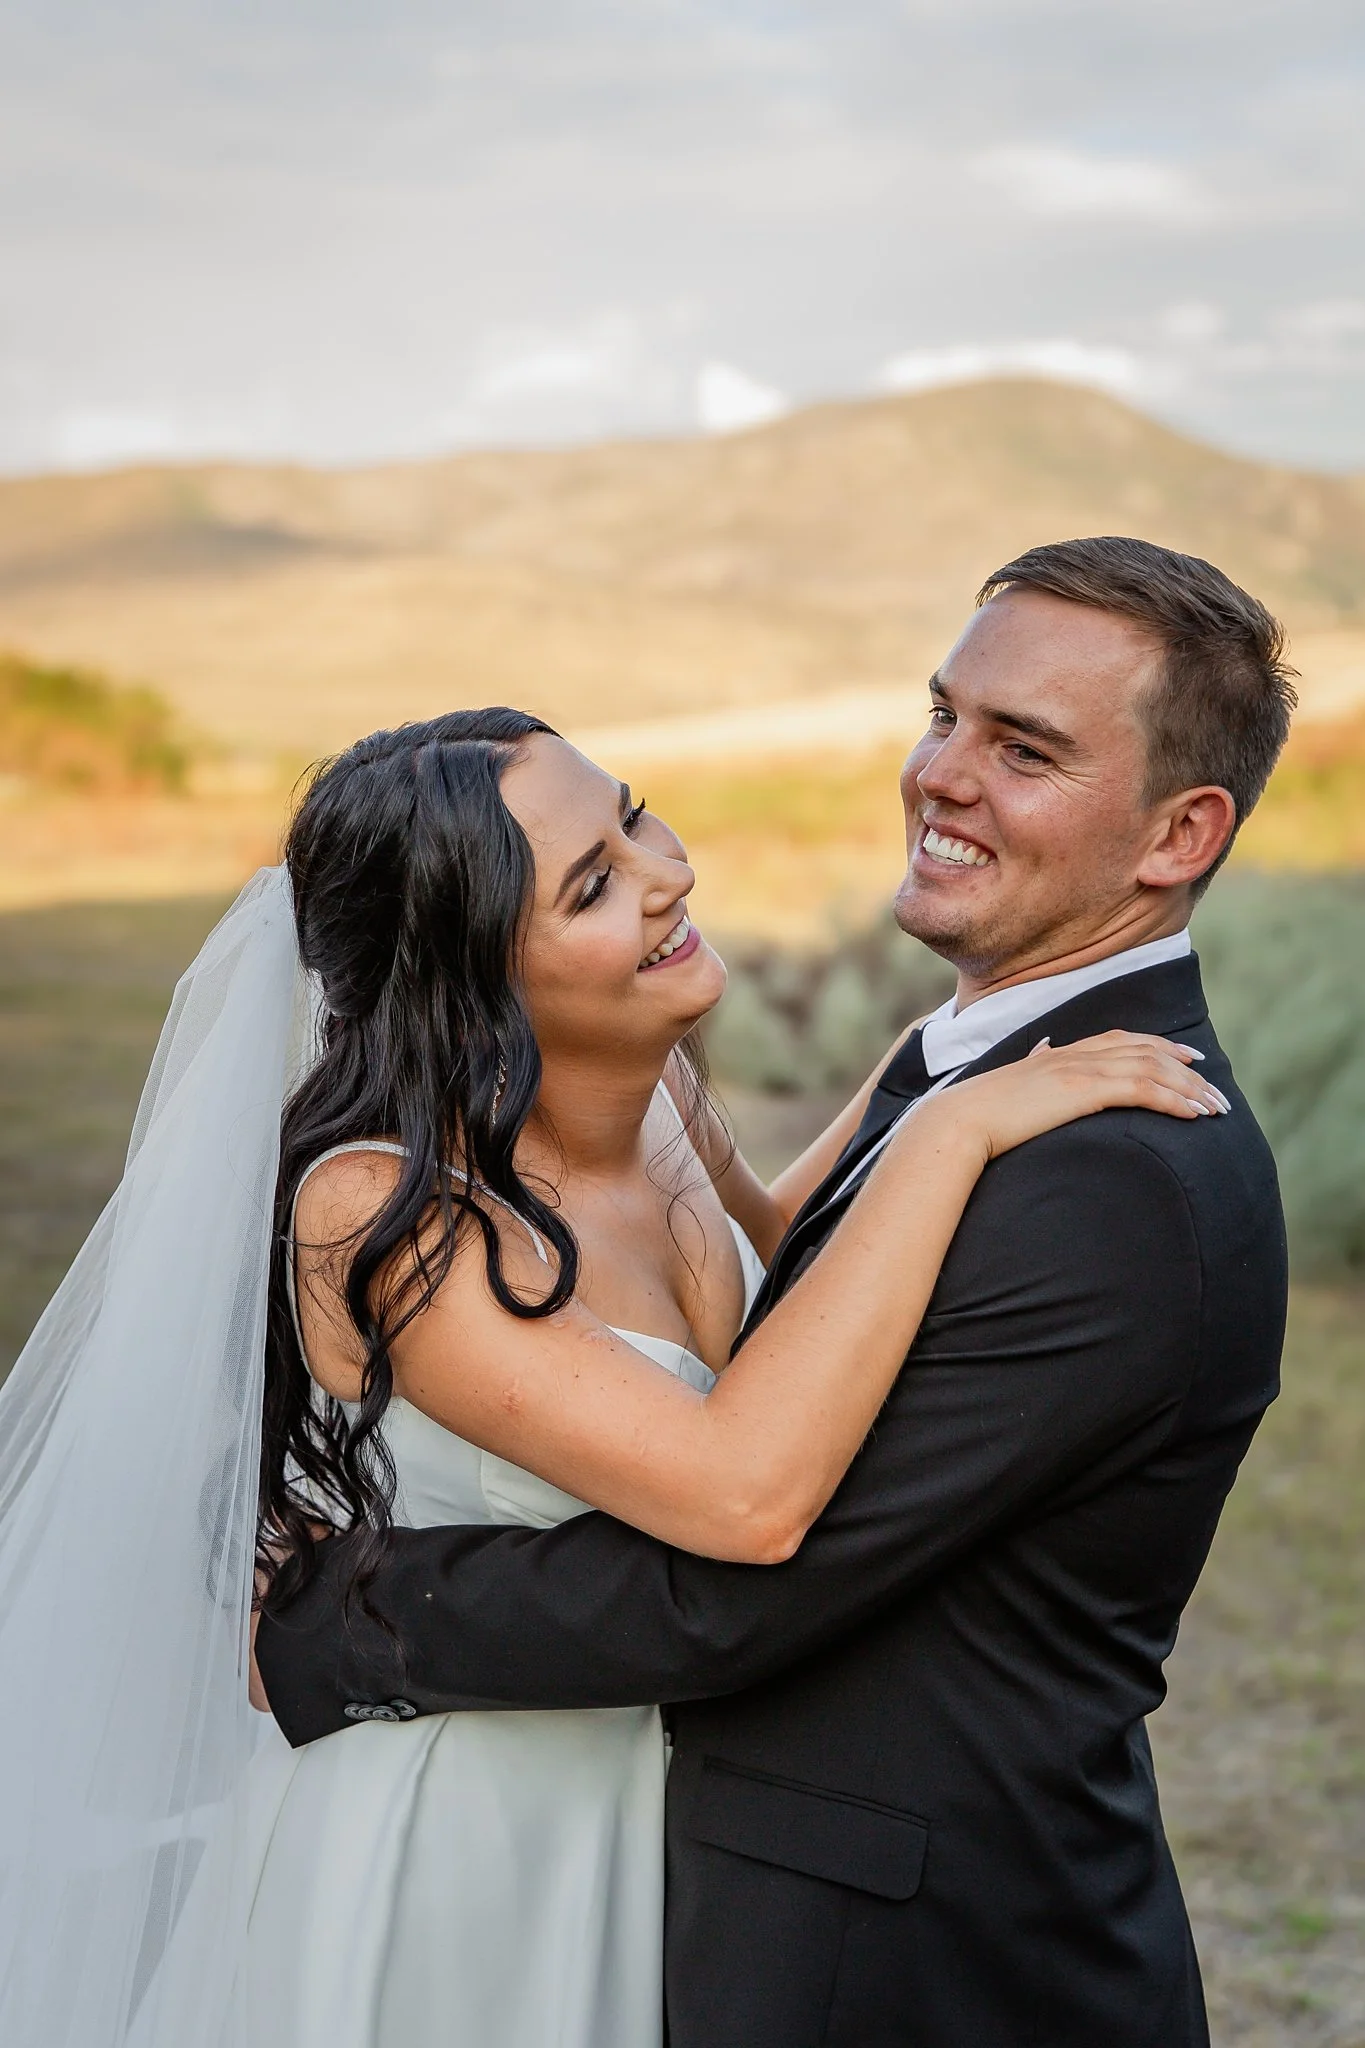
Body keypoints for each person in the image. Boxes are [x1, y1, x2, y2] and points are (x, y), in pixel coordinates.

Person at [257, 537, 1295, 2048]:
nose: (941, 772)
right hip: (547, 1850)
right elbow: (798, 1246)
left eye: (1023, 749)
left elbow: (752, 1562)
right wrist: (937, 1107)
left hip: (924, 1960)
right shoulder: (969, 1057)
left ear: (1174, 834)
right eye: (944, 714)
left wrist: (345, 1611)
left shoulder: (1111, 1178)